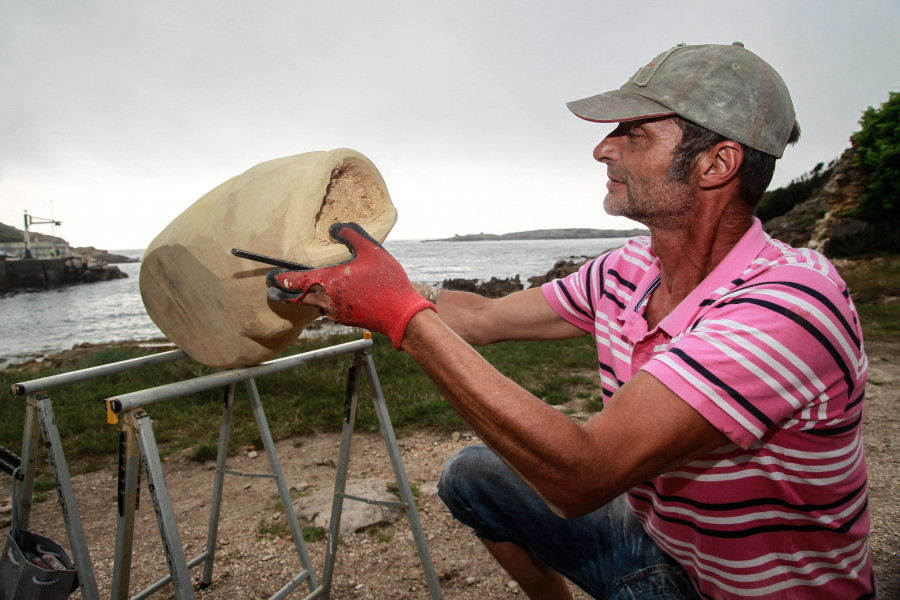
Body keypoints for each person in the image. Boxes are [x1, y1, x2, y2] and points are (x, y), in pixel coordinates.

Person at [266, 42, 876, 599]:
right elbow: (482, 317)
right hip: (665, 546)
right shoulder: (628, 269)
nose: (602, 148)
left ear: (716, 164)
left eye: (633, 132)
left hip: (750, 594)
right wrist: (360, 288)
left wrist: (401, 315)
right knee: (473, 477)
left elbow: (585, 475)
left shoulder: (791, 303)